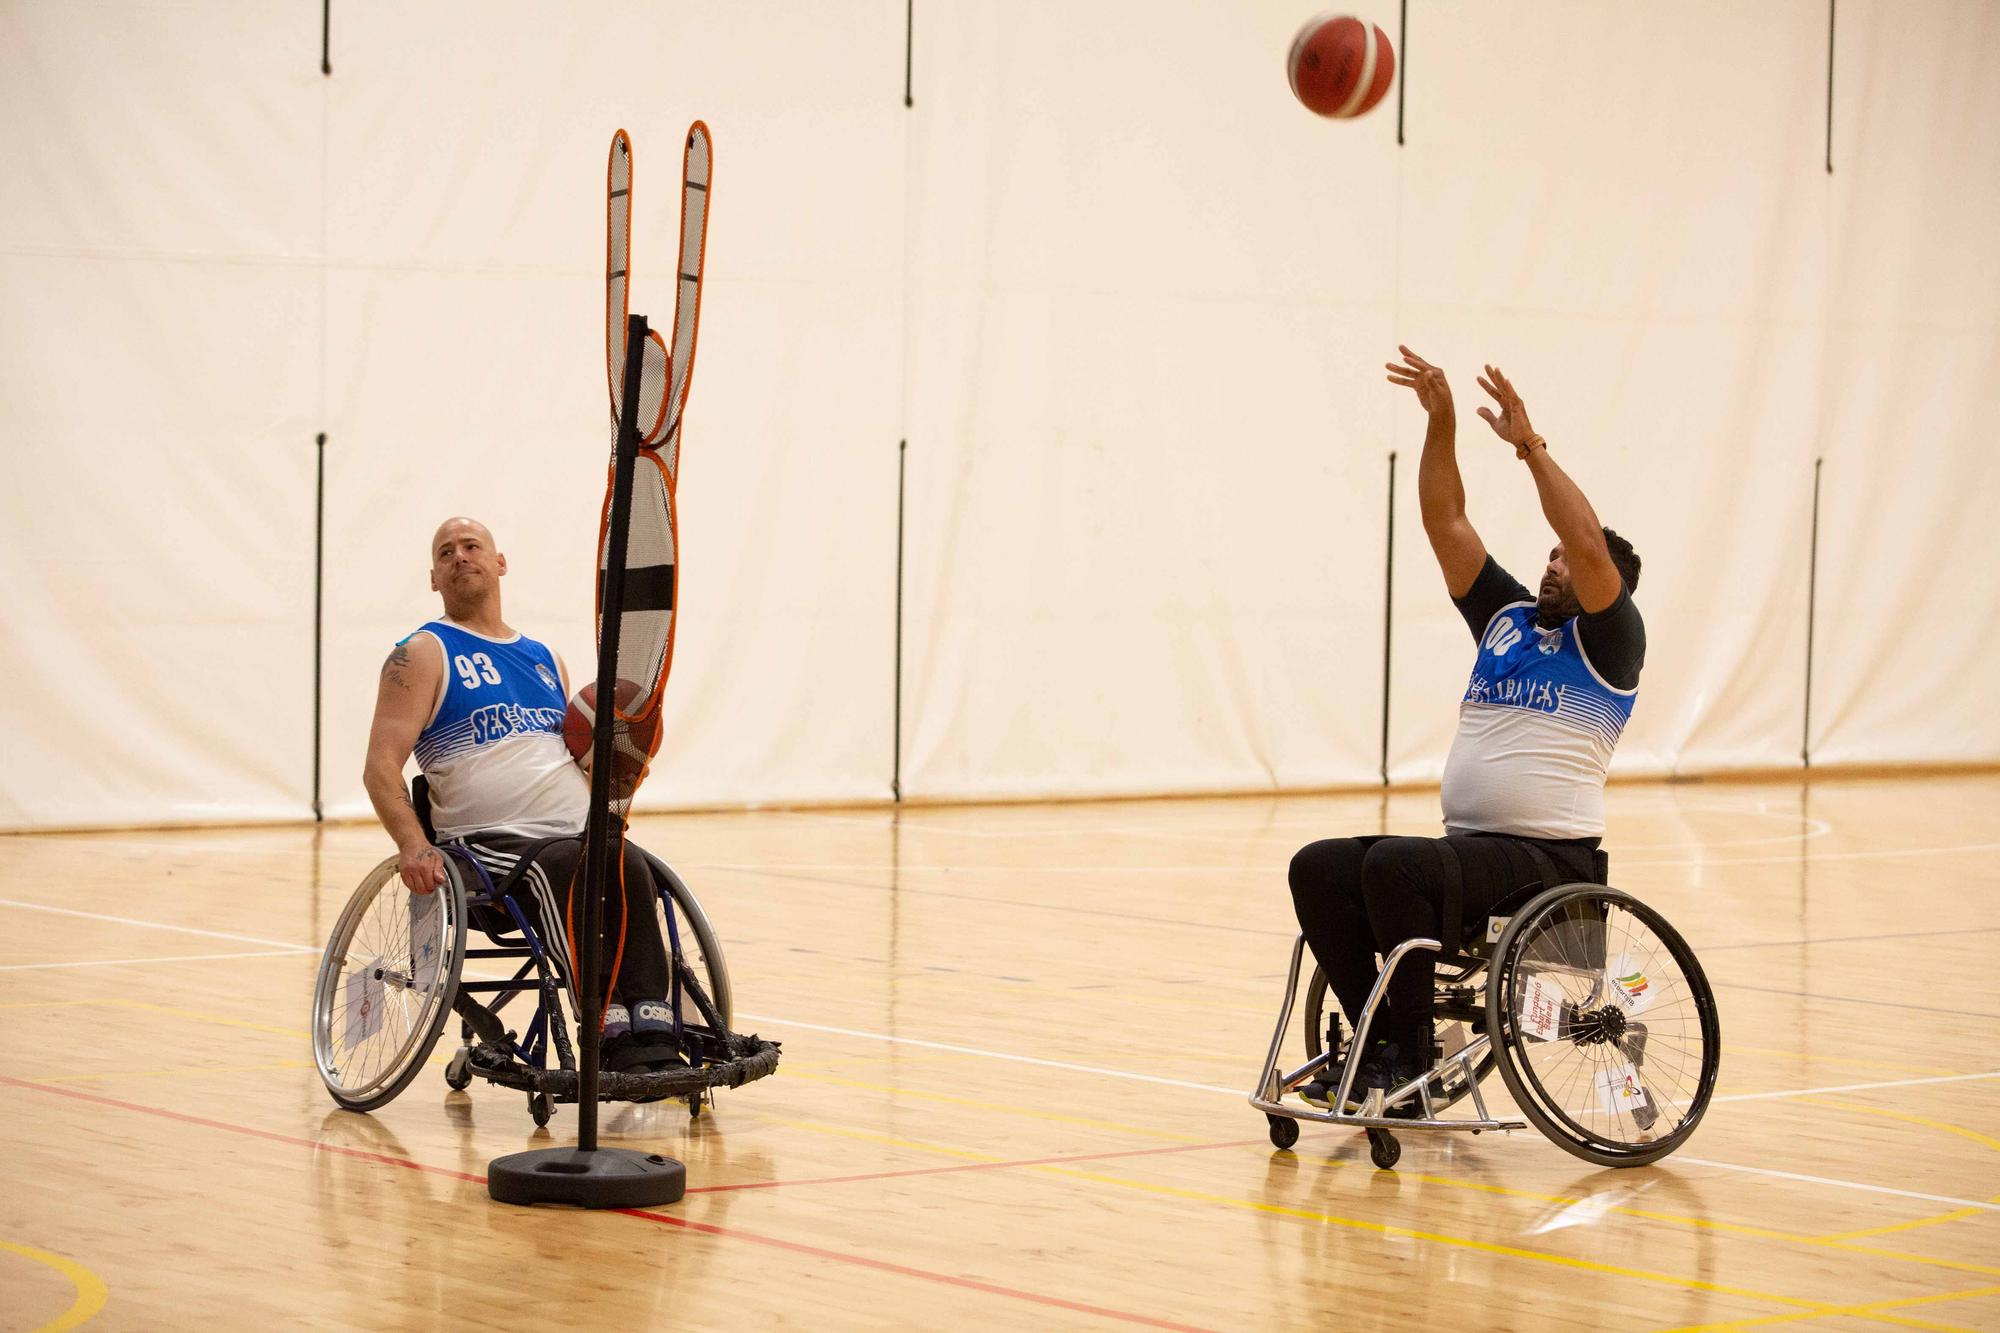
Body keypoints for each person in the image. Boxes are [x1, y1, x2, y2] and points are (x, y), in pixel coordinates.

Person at [1288, 347, 1646, 1108]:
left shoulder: (1613, 646)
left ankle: (1410, 1053)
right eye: (1545, 555)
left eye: (1567, 561)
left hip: (1548, 862)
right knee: (1316, 865)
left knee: (1394, 866)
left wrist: (1529, 447)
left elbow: (1586, 542)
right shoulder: (1508, 619)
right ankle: (1384, 1036)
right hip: (1470, 854)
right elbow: (1444, 519)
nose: (1554, 564)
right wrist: (1441, 421)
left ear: (1600, 585)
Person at [362, 515, 682, 1075]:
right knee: (561, 865)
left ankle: (652, 1017)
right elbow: (380, 766)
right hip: (484, 846)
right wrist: (413, 846)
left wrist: (621, 767)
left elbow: (573, 756)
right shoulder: (423, 653)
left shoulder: (545, 658)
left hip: (575, 828)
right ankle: (603, 1017)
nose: (460, 556)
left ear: (499, 561)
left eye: (471, 546)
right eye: (445, 553)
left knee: (630, 861)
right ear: (434, 579)